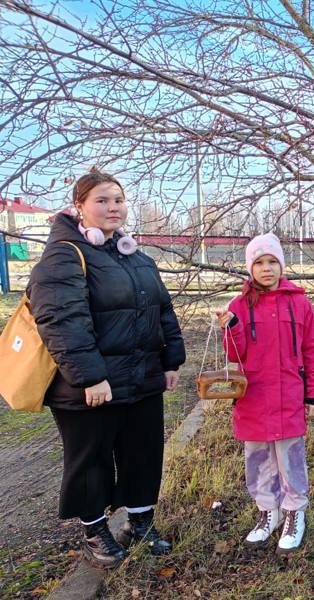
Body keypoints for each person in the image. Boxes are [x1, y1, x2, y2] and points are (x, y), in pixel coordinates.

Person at [27, 168, 185, 568]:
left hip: (142, 380)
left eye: (118, 199)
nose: (112, 207)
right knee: (90, 460)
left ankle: (140, 522)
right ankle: (94, 531)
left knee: (143, 454)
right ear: (79, 207)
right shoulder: (65, 254)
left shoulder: (135, 256)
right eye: (101, 200)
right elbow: (61, 319)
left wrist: (171, 360)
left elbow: (162, 310)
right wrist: (90, 377)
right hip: (91, 386)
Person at [216, 233, 314, 555]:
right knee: (258, 459)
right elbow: (236, 354)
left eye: (272, 262)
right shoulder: (239, 305)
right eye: (259, 263)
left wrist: (312, 394)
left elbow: (312, 350)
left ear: (281, 265)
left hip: (289, 396)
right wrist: (230, 327)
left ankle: (294, 513)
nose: (266, 269)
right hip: (254, 398)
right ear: (250, 268)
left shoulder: (300, 303)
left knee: (290, 460)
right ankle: (269, 512)